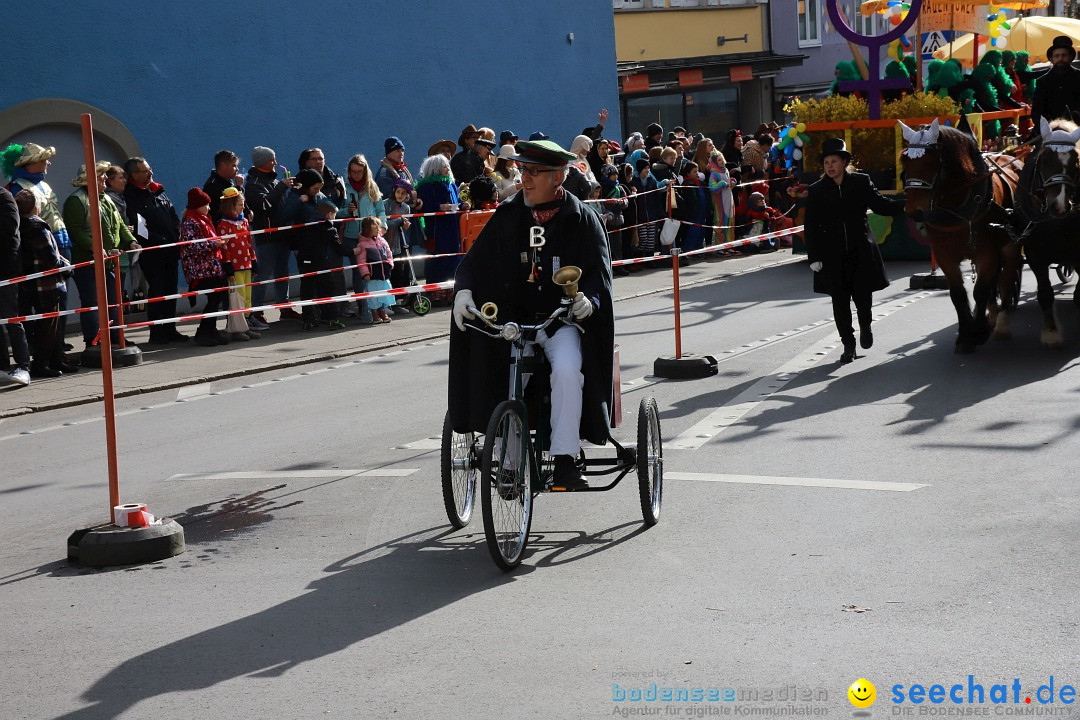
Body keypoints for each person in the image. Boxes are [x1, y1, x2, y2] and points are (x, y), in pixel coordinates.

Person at [448, 139, 614, 490]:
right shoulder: (509, 213)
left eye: (534, 172)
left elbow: (600, 277)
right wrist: (463, 290)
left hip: (561, 321)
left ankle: (566, 460)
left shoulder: (584, 218)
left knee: (569, 369)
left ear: (559, 176)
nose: (525, 178)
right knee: (509, 378)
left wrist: (591, 302)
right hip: (515, 322)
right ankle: (509, 465)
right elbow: (474, 262)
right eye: (523, 170)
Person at [805, 138, 905, 364]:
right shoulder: (817, 190)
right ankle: (848, 345)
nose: (830, 166)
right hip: (832, 256)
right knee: (839, 302)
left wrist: (907, 205)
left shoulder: (861, 182)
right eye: (826, 162)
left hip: (860, 250)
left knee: (863, 299)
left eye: (834, 161)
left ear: (844, 162)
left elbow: (881, 205)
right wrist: (814, 256)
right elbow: (810, 225)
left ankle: (865, 326)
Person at [63, 161, 138, 349]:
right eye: (100, 176)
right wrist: (94, 247)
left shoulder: (106, 198)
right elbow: (75, 231)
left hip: (109, 262)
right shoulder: (77, 201)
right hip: (88, 263)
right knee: (92, 303)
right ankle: (92, 341)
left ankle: (115, 337)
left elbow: (119, 224)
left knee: (113, 301)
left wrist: (130, 241)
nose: (105, 178)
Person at [123, 156, 187, 344]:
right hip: (153, 254)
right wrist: (160, 240)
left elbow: (173, 215)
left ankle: (170, 328)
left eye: (150, 169)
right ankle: (157, 331)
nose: (150, 173)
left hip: (171, 251)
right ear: (134, 174)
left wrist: (177, 232)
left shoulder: (158, 191)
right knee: (158, 291)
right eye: (145, 171)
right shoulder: (131, 197)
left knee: (171, 290)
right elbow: (139, 227)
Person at [14, 190, 72, 377]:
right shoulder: (37, 226)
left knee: (45, 326)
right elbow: (51, 258)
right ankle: (42, 364)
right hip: (45, 284)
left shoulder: (18, 225)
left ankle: (55, 361)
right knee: (48, 327)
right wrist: (68, 266)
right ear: (35, 207)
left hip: (28, 284)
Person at [244, 145, 292, 329]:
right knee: (263, 276)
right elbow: (264, 205)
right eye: (272, 159)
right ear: (262, 162)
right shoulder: (253, 184)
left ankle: (284, 308)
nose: (276, 162)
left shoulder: (272, 180)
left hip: (282, 234)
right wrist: (282, 186)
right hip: (268, 237)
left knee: (282, 274)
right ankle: (256, 311)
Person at [339, 154, 387, 321]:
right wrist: (346, 211)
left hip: (371, 235)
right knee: (360, 273)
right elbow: (337, 211)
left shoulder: (372, 186)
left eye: (359, 171)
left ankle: (379, 307)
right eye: (353, 172)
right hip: (353, 236)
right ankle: (364, 308)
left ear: (365, 171)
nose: (356, 175)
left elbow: (380, 210)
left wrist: (383, 226)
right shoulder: (344, 187)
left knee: (375, 272)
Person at [179, 188, 229, 347]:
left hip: (211, 267)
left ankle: (210, 329)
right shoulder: (190, 222)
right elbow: (191, 247)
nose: (209, 208)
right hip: (200, 269)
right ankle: (204, 331)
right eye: (206, 205)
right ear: (197, 205)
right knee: (214, 299)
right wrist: (213, 244)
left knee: (217, 298)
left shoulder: (203, 219)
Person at [416, 153, 466, 295]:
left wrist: (463, 205)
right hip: (438, 229)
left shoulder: (451, 183)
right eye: (444, 166)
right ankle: (436, 293)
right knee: (438, 259)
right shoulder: (426, 186)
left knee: (454, 257)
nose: (447, 168)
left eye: (447, 165)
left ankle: (452, 290)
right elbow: (424, 206)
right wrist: (439, 207)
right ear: (435, 168)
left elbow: (456, 201)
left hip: (453, 228)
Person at [215, 186, 259, 340]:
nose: (243, 208)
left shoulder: (244, 221)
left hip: (246, 264)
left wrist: (253, 260)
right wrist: (227, 265)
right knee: (238, 297)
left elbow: (249, 243)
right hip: (234, 267)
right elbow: (224, 248)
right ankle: (236, 328)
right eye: (240, 205)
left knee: (247, 296)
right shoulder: (224, 225)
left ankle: (245, 325)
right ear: (230, 206)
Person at [299, 197, 346, 332]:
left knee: (307, 289)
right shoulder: (329, 228)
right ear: (329, 215)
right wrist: (353, 251)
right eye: (335, 215)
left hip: (304, 260)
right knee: (329, 288)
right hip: (319, 261)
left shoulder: (308, 224)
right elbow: (338, 248)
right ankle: (331, 317)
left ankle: (308, 320)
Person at [1031, 35, 1080, 128]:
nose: (1060, 59)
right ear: (1051, 59)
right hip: (1050, 131)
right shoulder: (1042, 81)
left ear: (1070, 57)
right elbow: (1036, 113)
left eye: (1064, 55)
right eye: (1057, 56)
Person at [354, 216, 395, 324]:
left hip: (384, 274)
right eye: (376, 228)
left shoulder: (382, 241)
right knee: (373, 294)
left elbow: (389, 253)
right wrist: (365, 273)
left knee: (384, 293)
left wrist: (390, 263)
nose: (378, 230)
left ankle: (382, 310)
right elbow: (361, 261)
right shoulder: (362, 245)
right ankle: (374, 312)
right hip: (373, 275)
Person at [202, 149, 245, 222]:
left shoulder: (228, 181)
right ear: (223, 166)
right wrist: (238, 187)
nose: (237, 169)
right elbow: (228, 208)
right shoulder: (213, 186)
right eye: (234, 166)